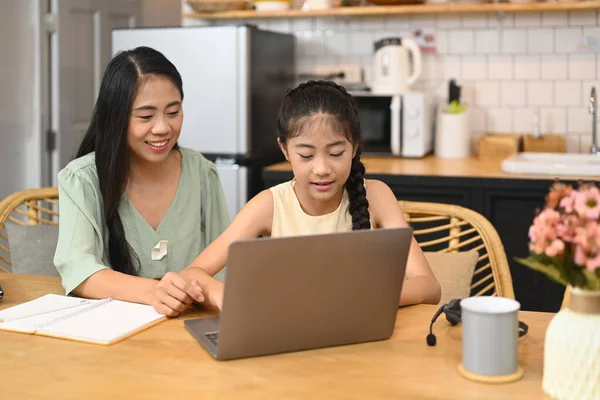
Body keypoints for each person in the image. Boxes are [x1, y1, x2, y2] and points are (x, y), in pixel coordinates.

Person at [180, 80, 441, 309]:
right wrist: (221, 295)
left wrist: (360, 297)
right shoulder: (269, 205)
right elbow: (194, 272)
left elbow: (429, 287)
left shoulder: (377, 196)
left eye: (336, 153)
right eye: (306, 155)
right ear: (284, 149)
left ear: (355, 147)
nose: (322, 169)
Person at [54, 46, 230, 316]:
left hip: (191, 333)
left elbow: (225, 270)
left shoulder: (202, 173)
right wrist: (153, 292)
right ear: (116, 118)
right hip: (112, 341)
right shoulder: (82, 179)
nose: (162, 128)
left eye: (173, 112)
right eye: (146, 116)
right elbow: (79, 269)